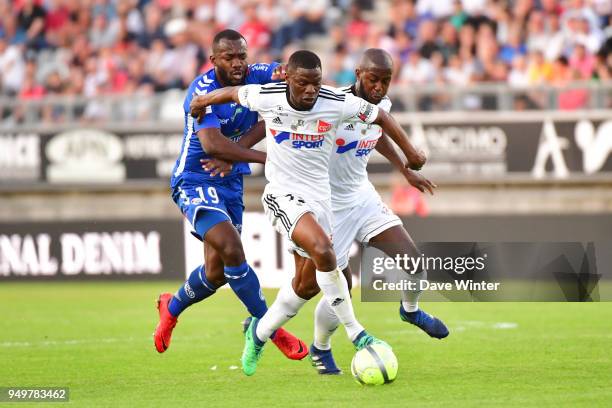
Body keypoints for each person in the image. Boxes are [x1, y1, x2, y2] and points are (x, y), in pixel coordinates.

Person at [190, 50, 426, 376]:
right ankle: (356, 333)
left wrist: (411, 156)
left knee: (307, 285)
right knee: (324, 252)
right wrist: (202, 101)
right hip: (283, 195)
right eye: (303, 83)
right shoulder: (267, 96)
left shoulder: (335, 101)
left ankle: (258, 333)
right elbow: (232, 93)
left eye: (315, 83)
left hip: (321, 199)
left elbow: (381, 119)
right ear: (287, 77)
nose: (310, 91)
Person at [154, 29, 307, 361]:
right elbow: (211, 145)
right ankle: (268, 327)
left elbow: (278, 106)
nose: (238, 63)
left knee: (216, 272)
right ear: (214, 60)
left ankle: (172, 306)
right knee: (232, 248)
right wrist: (269, 158)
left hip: (230, 179)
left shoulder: (259, 76)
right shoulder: (202, 90)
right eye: (229, 57)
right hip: (195, 178)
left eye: (242, 56)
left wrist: (286, 71)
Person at [305, 49, 449, 374]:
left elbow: (377, 132)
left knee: (414, 262)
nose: (379, 87)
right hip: (331, 207)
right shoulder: (334, 104)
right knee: (341, 287)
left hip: (362, 196)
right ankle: (320, 348)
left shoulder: (381, 106)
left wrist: (404, 170)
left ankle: (410, 310)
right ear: (357, 73)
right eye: (373, 79)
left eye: (386, 81)